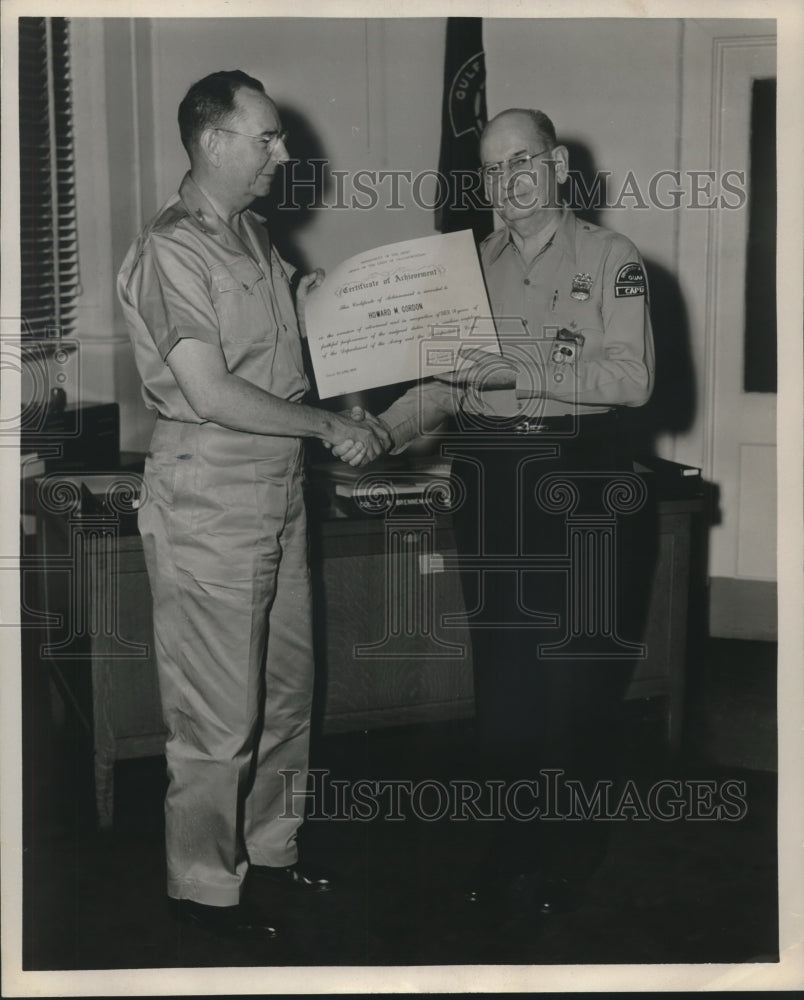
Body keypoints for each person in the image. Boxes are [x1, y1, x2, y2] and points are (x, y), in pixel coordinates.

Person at [117, 70, 390, 940]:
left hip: (277, 494)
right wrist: (324, 427)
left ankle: (271, 853)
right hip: (210, 499)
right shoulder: (173, 249)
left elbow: (280, 354)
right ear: (211, 141)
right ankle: (202, 892)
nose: (284, 151)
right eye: (266, 138)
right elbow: (209, 390)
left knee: (283, 695)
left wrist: (334, 318)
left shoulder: (255, 238)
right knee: (215, 718)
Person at [364, 108, 656, 916]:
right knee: (506, 679)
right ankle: (516, 840)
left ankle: (570, 848)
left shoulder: (611, 258)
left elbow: (630, 379)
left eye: (523, 161)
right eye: (492, 170)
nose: (508, 182)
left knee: (577, 678)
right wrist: (377, 430)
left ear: (558, 164)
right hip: (491, 480)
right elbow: (443, 382)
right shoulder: (469, 270)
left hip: (582, 479)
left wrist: (513, 366)